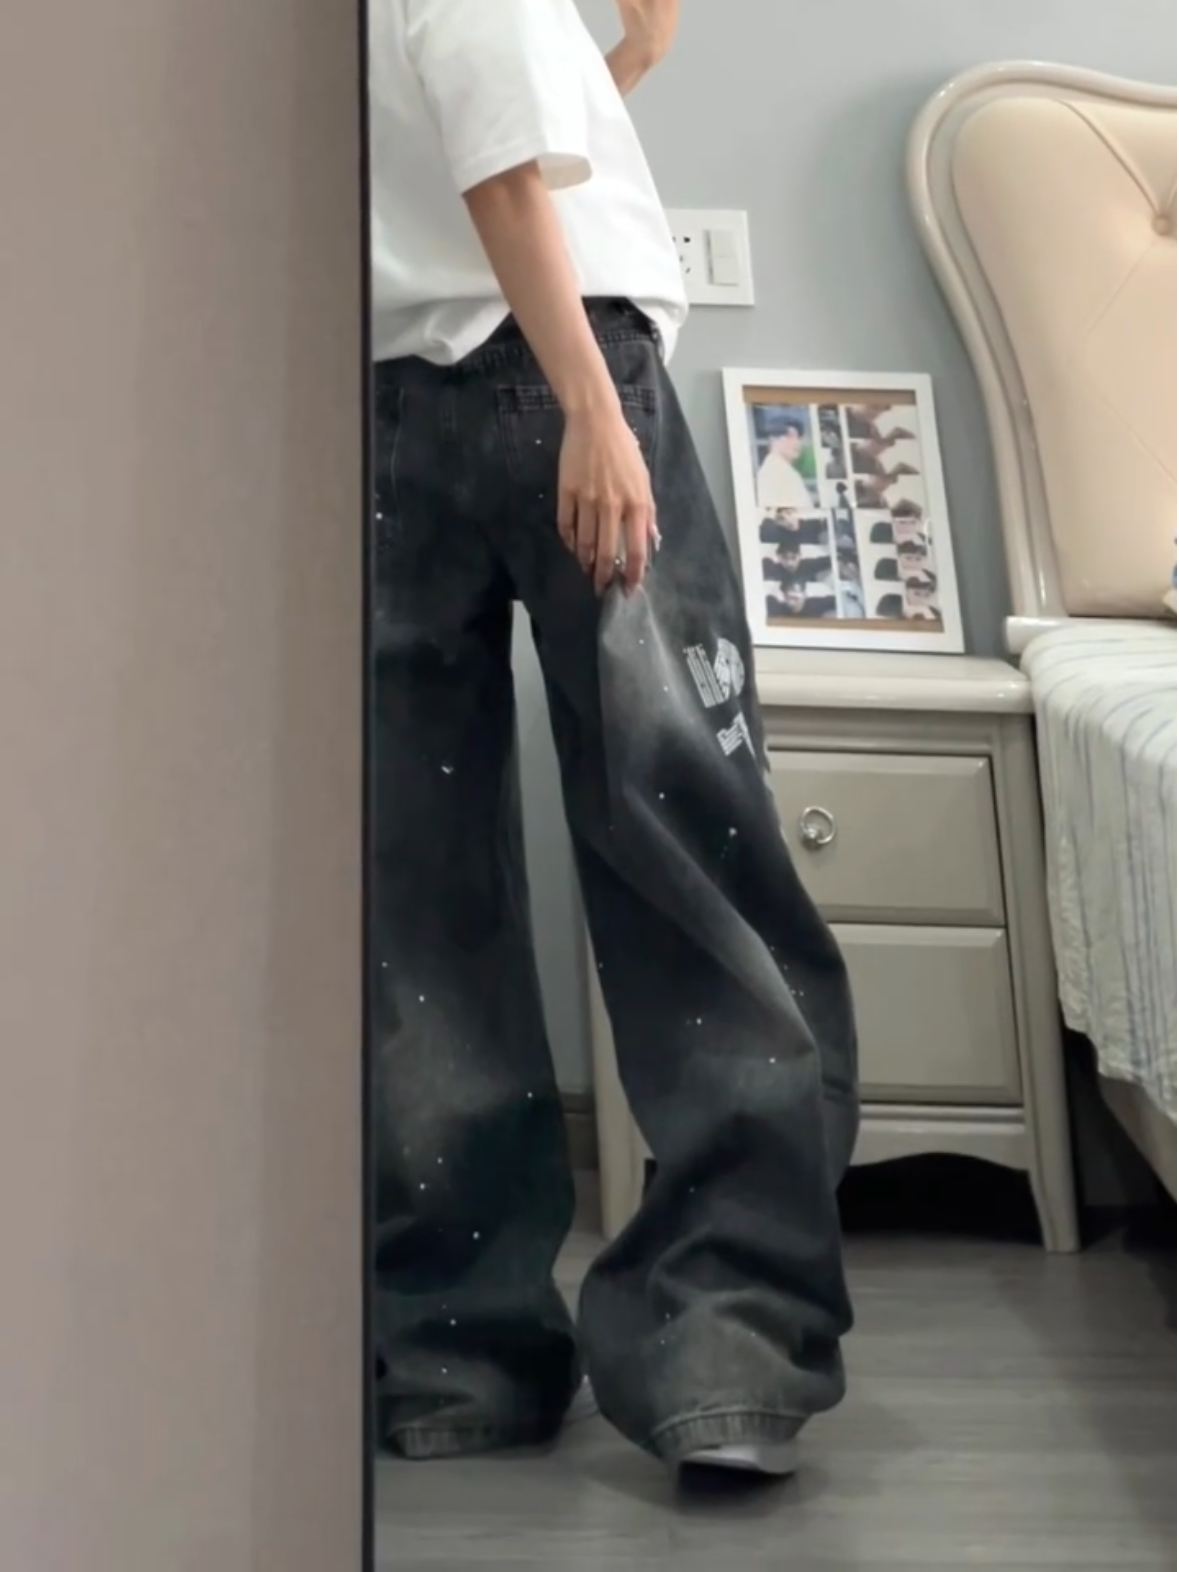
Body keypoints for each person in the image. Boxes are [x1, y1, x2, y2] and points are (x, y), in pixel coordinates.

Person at [369, 0, 857, 1479]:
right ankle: (726, 1352)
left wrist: (627, 63)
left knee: (422, 903)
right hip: (561, 380)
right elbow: (500, 171)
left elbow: (464, 140)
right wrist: (592, 404)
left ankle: (456, 1361)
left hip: (383, 414)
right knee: (692, 859)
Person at [755, 419, 816, 514]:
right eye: (789, 437)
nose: (797, 443)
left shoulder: (784, 469)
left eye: (798, 438)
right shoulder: (773, 471)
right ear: (773, 440)